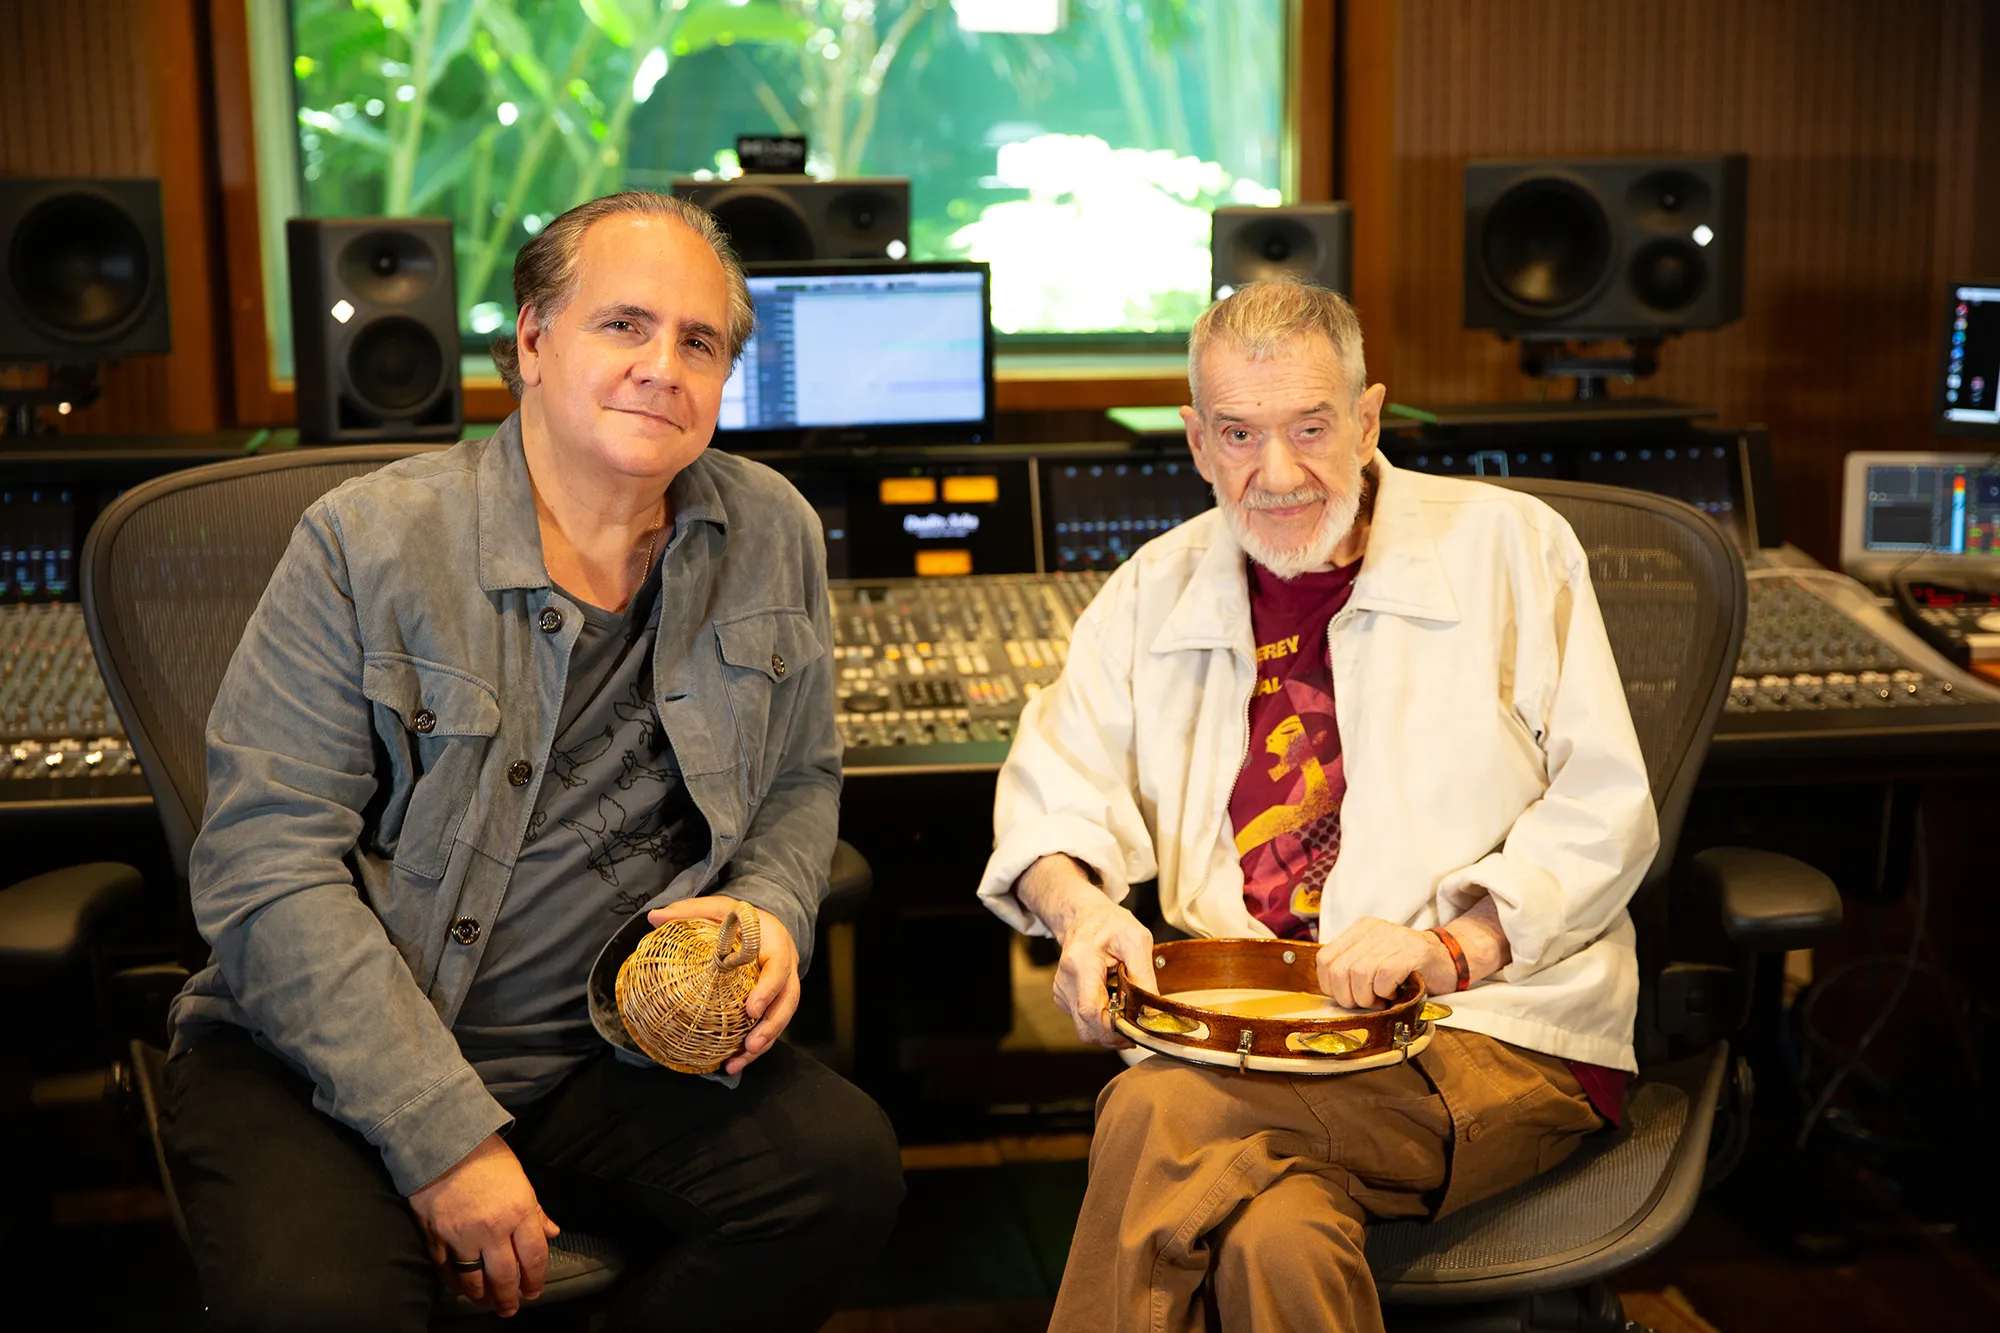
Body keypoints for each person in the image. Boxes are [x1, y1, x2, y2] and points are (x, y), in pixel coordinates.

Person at [160, 191, 903, 1333]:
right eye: (623, 325)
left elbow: (799, 779)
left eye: (697, 342)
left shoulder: (772, 529)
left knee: (837, 1172)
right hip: (319, 1059)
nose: (662, 365)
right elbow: (265, 868)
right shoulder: (367, 541)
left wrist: (769, 908)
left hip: (595, 1056)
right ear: (533, 341)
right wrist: (441, 1136)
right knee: (326, 1306)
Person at [976, 278, 1658, 1332]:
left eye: (1310, 426)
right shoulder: (1149, 589)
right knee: (1273, 1239)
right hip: (1256, 1033)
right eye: (1240, 434)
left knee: (1156, 1109)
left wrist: (1453, 947)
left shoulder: (1508, 546)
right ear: (1196, 442)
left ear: (1368, 417)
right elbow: (1050, 795)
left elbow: (1606, 809)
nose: (1278, 471)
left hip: (1489, 1029)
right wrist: (1083, 911)